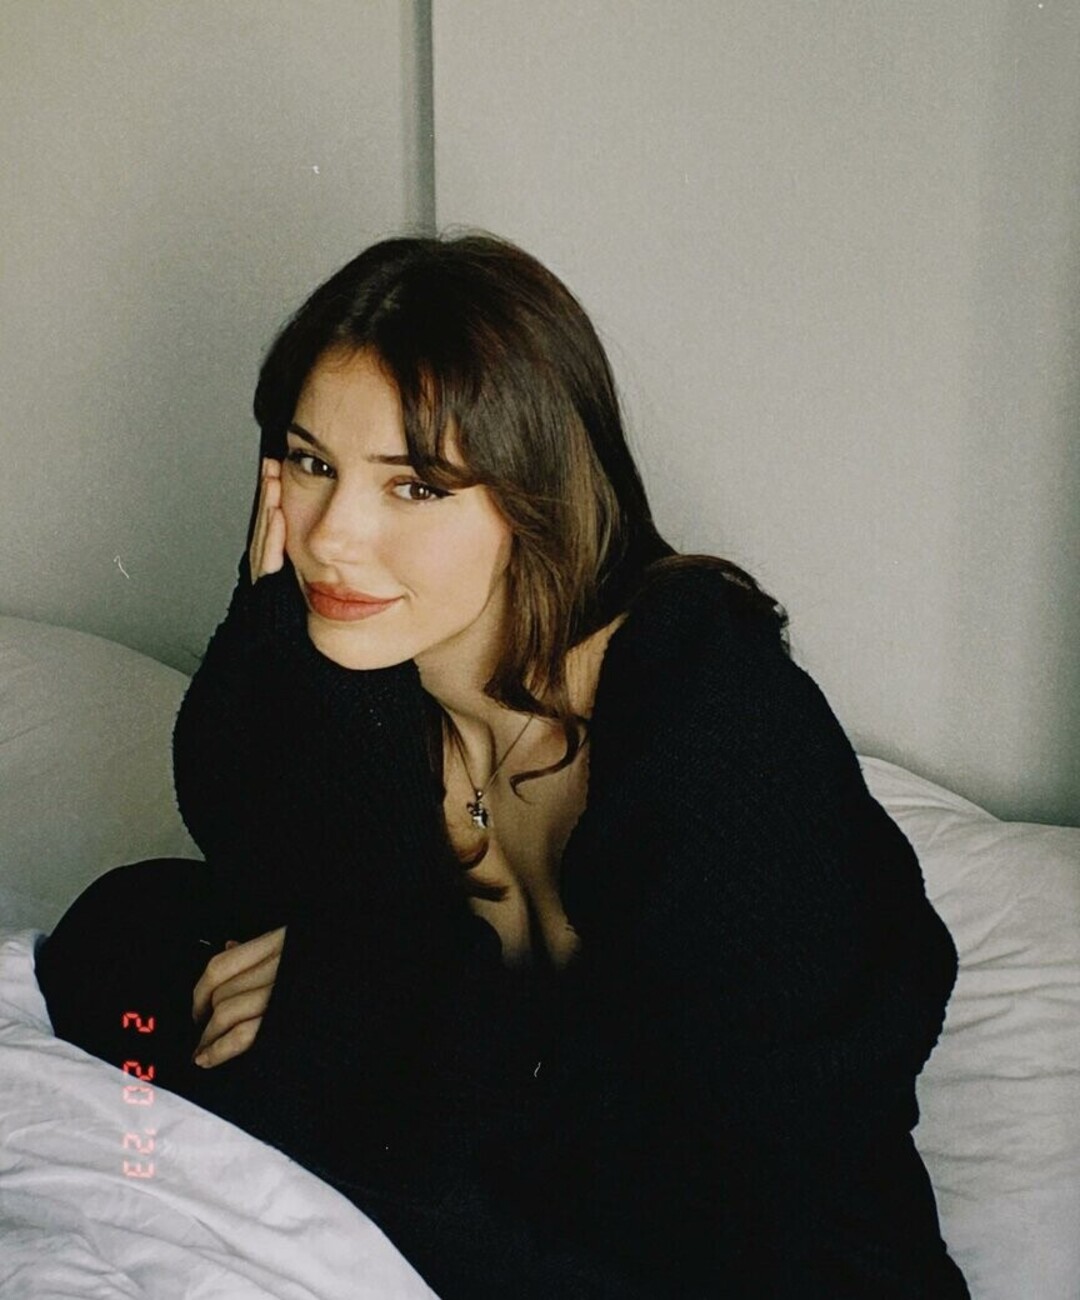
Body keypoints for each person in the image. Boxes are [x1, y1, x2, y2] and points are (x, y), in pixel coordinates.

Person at [35, 233, 969, 1297]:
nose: (333, 537)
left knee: (270, 1027)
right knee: (129, 935)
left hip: (751, 1238)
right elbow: (266, 852)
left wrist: (379, 1003)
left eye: (416, 487)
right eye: (311, 462)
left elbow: (760, 1147)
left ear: (535, 498)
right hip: (507, 1128)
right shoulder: (384, 672)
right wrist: (273, 631)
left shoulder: (709, 722)